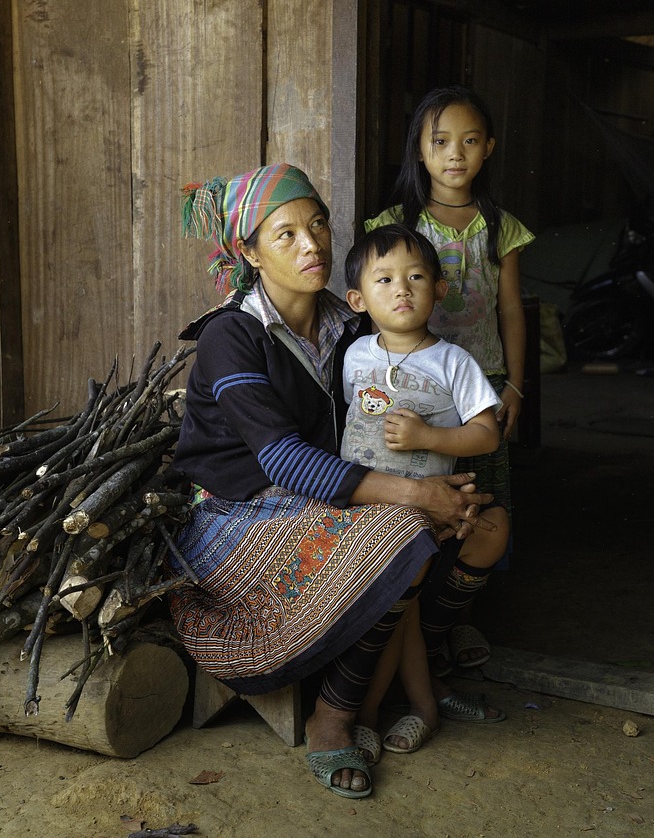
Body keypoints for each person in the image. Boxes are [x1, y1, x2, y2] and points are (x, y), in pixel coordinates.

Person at [169, 164, 489, 799]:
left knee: (457, 523)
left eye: (317, 224)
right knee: (400, 530)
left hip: (315, 505)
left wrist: (442, 482)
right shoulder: (232, 337)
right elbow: (283, 460)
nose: (312, 244)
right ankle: (334, 718)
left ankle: (413, 681)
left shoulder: (347, 328)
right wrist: (418, 493)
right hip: (229, 519)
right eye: (285, 235)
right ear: (250, 253)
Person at [366, 85, 535, 675]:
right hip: (416, 390)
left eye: (468, 141)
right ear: (419, 150)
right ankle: (409, 617)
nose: (454, 154)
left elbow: (511, 308)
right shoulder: (396, 224)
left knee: (481, 506)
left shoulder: (501, 227)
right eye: (440, 142)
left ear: (488, 148)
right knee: (423, 504)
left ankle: (453, 619)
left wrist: (514, 384)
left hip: (481, 389)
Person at [340, 224, 508, 755]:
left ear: (439, 289)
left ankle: (378, 712)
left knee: (406, 595)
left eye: (415, 277)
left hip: (427, 512)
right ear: (358, 299)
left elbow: (487, 433)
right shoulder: (355, 357)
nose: (401, 289)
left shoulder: (452, 361)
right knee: (401, 601)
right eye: (384, 280)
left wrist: (427, 436)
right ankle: (423, 706)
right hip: (365, 510)